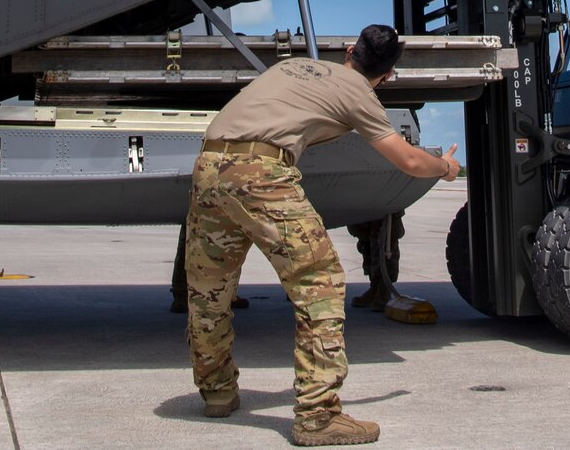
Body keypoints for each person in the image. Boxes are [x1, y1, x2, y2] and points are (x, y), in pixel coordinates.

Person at [185, 23, 461, 445]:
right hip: (261, 173)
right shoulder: (360, 93)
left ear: (350, 50)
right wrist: (445, 169)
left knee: (209, 292)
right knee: (321, 286)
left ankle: (217, 393)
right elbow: (407, 160)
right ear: (386, 75)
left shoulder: (296, 66)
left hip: (209, 163)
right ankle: (318, 418)